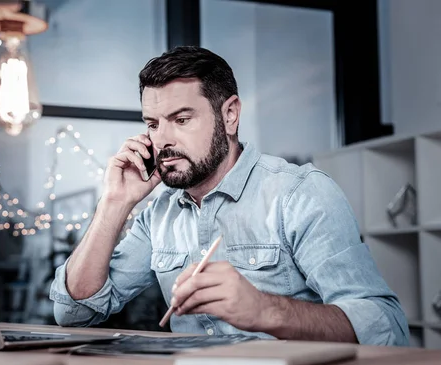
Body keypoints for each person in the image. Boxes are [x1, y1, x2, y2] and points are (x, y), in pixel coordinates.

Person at [49, 46, 409, 346]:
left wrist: (265, 310)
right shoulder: (159, 214)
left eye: (182, 119)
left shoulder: (299, 193)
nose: (163, 140)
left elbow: (387, 328)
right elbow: (74, 311)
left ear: (230, 115)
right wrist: (115, 202)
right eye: (153, 124)